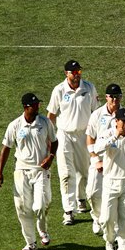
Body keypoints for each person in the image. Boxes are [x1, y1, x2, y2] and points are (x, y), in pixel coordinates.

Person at [0, 93, 58, 250]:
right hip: (21, 171)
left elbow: (55, 141)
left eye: (38, 104)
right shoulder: (15, 125)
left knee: (41, 205)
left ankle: (43, 229)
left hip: (41, 170)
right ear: (26, 107)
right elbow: (6, 148)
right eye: (34, 105)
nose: (38, 107)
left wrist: (50, 157)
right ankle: (31, 242)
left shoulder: (44, 122)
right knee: (22, 208)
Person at [47, 60, 99, 224]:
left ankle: (81, 198)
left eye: (79, 72)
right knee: (66, 173)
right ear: (66, 73)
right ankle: (68, 210)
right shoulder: (59, 90)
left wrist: (97, 135)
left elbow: (96, 112)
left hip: (84, 134)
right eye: (73, 72)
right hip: (64, 135)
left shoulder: (89, 88)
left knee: (85, 170)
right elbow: (51, 115)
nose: (76, 75)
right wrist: (48, 137)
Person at [93, 108, 125, 250]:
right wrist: (115, 136)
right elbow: (97, 149)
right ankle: (109, 239)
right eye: (123, 121)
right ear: (116, 121)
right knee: (106, 218)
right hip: (110, 182)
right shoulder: (107, 134)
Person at [86, 84, 124, 235]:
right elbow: (90, 138)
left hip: (118, 161)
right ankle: (97, 217)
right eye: (112, 97)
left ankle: (113, 227)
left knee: (116, 197)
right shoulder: (97, 114)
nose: (115, 100)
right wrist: (95, 160)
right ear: (106, 97)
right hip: (100, 160)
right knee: (92, 192)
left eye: (118, 96)